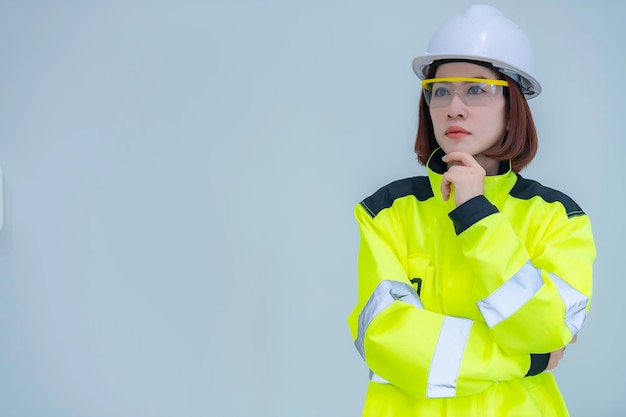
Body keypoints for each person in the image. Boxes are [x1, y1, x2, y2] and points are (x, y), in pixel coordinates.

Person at [347, 5, 595, 417]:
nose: (453, 107)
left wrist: (477, 216)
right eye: (440, 91)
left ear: (512, 104)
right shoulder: (386, 212)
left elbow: (547, 328)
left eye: (476, 89)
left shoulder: (557, 218)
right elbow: (386, 339)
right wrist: (522, 361)